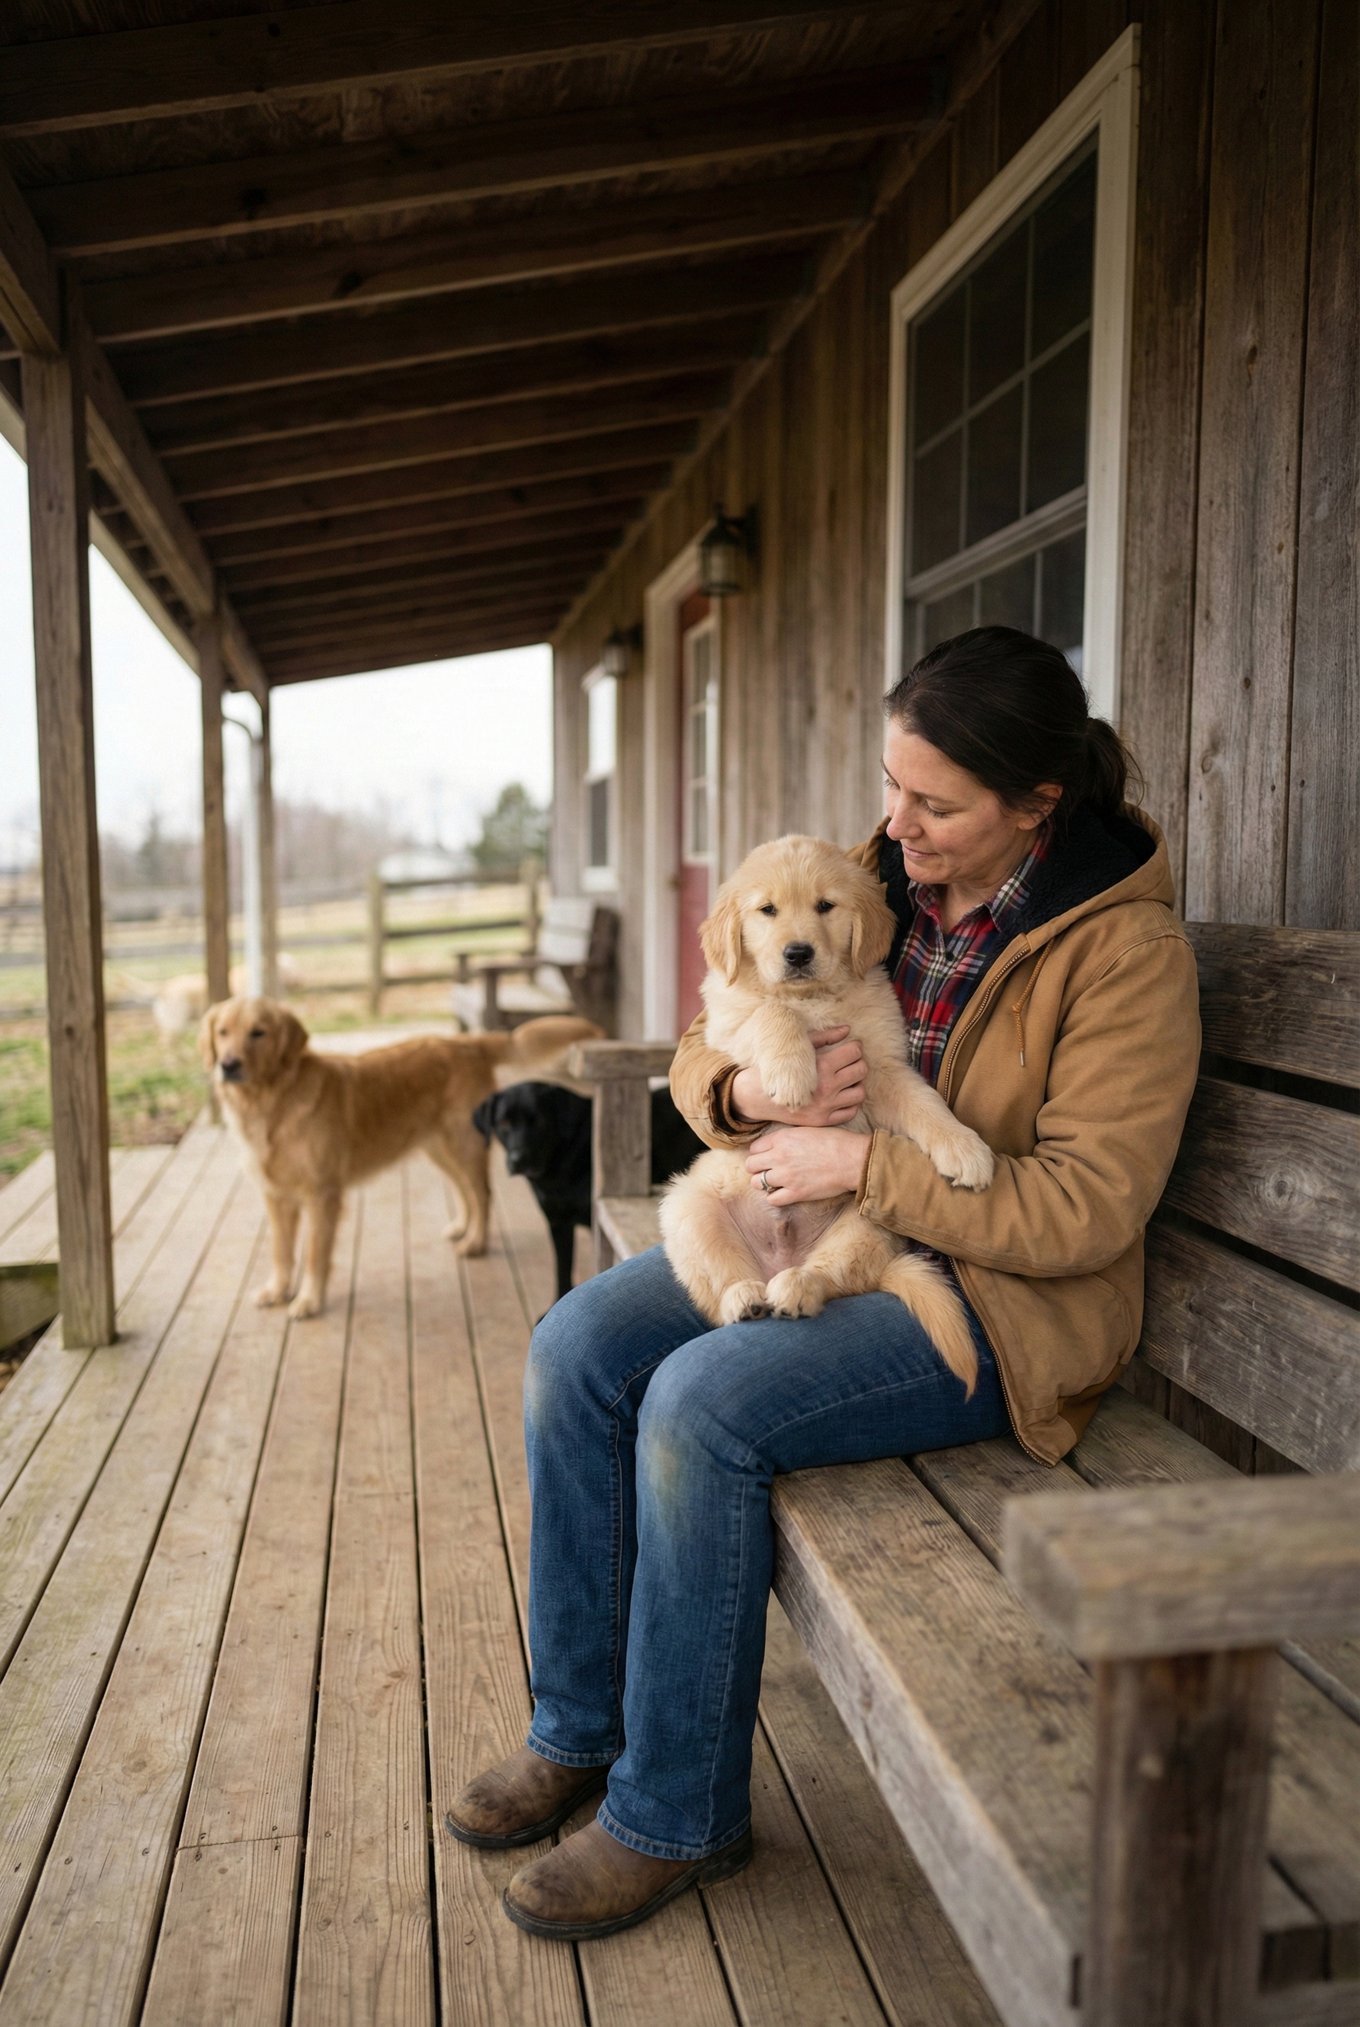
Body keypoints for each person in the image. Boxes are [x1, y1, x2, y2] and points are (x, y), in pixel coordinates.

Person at [445, 625, 1201, 1942]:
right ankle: (577, 1727)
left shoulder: (1123, 957)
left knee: (702, 1404)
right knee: (574, 1346)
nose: (894, 825)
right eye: (892, 786)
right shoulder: (877, 876)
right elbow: (707, 1038)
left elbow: (1090, 1209)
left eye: (933, 804)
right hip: (802, 1214)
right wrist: (735, 1100)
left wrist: (866, 1160)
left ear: (1038, 805)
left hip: (993, 1299)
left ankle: (674, 1813)